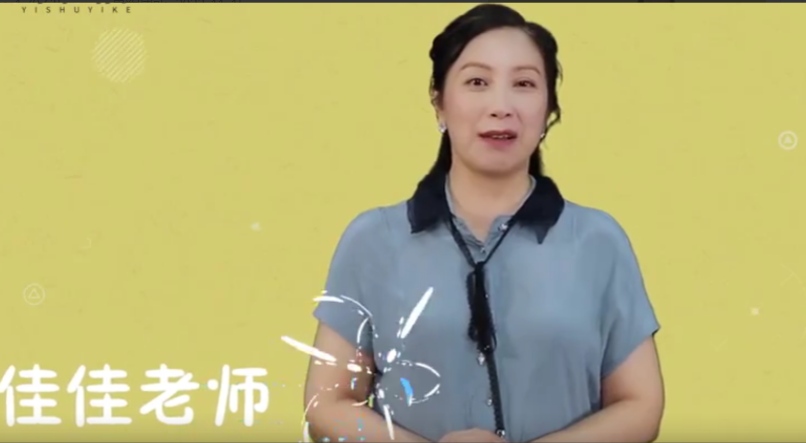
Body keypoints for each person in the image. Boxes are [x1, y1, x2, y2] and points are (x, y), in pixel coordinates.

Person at [304, 4, 664, 443]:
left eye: (524, 84)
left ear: (549, 108)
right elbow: (327, 404)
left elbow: (640, 406)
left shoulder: (597, 241)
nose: (501, 106)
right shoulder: (373, 240)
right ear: (439, 101)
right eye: (477, 82)